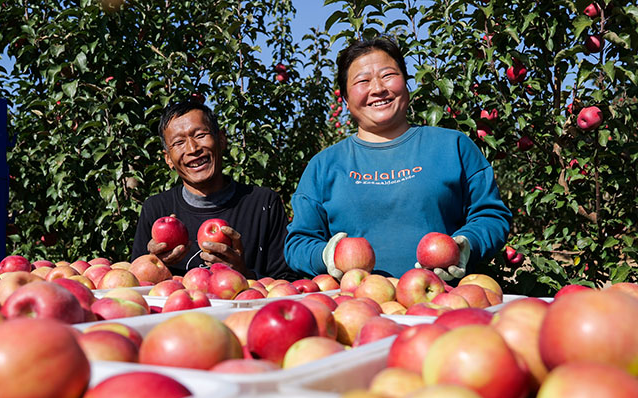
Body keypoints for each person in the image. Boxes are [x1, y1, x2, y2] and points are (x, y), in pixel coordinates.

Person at [284, 36, 512, 281]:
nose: (378, 88)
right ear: (346, 101)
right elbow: (298, 243)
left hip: (444, 304)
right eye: (362, 80)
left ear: (406, 84)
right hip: (355, 310)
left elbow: (491, 215)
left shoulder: (453, 146)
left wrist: (468, 244)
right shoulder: (324, 166)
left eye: (388, 75)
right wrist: (326, 255)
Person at [131, 100, 296, 280]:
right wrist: (155, 265)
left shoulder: (263, 204)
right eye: (178, 143)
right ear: (168, 159)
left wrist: (243, 274)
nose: (193, 149)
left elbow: (286, 283)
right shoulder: (156, 209)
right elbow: (139, 287)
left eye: (201, 135)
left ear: (222, 139)